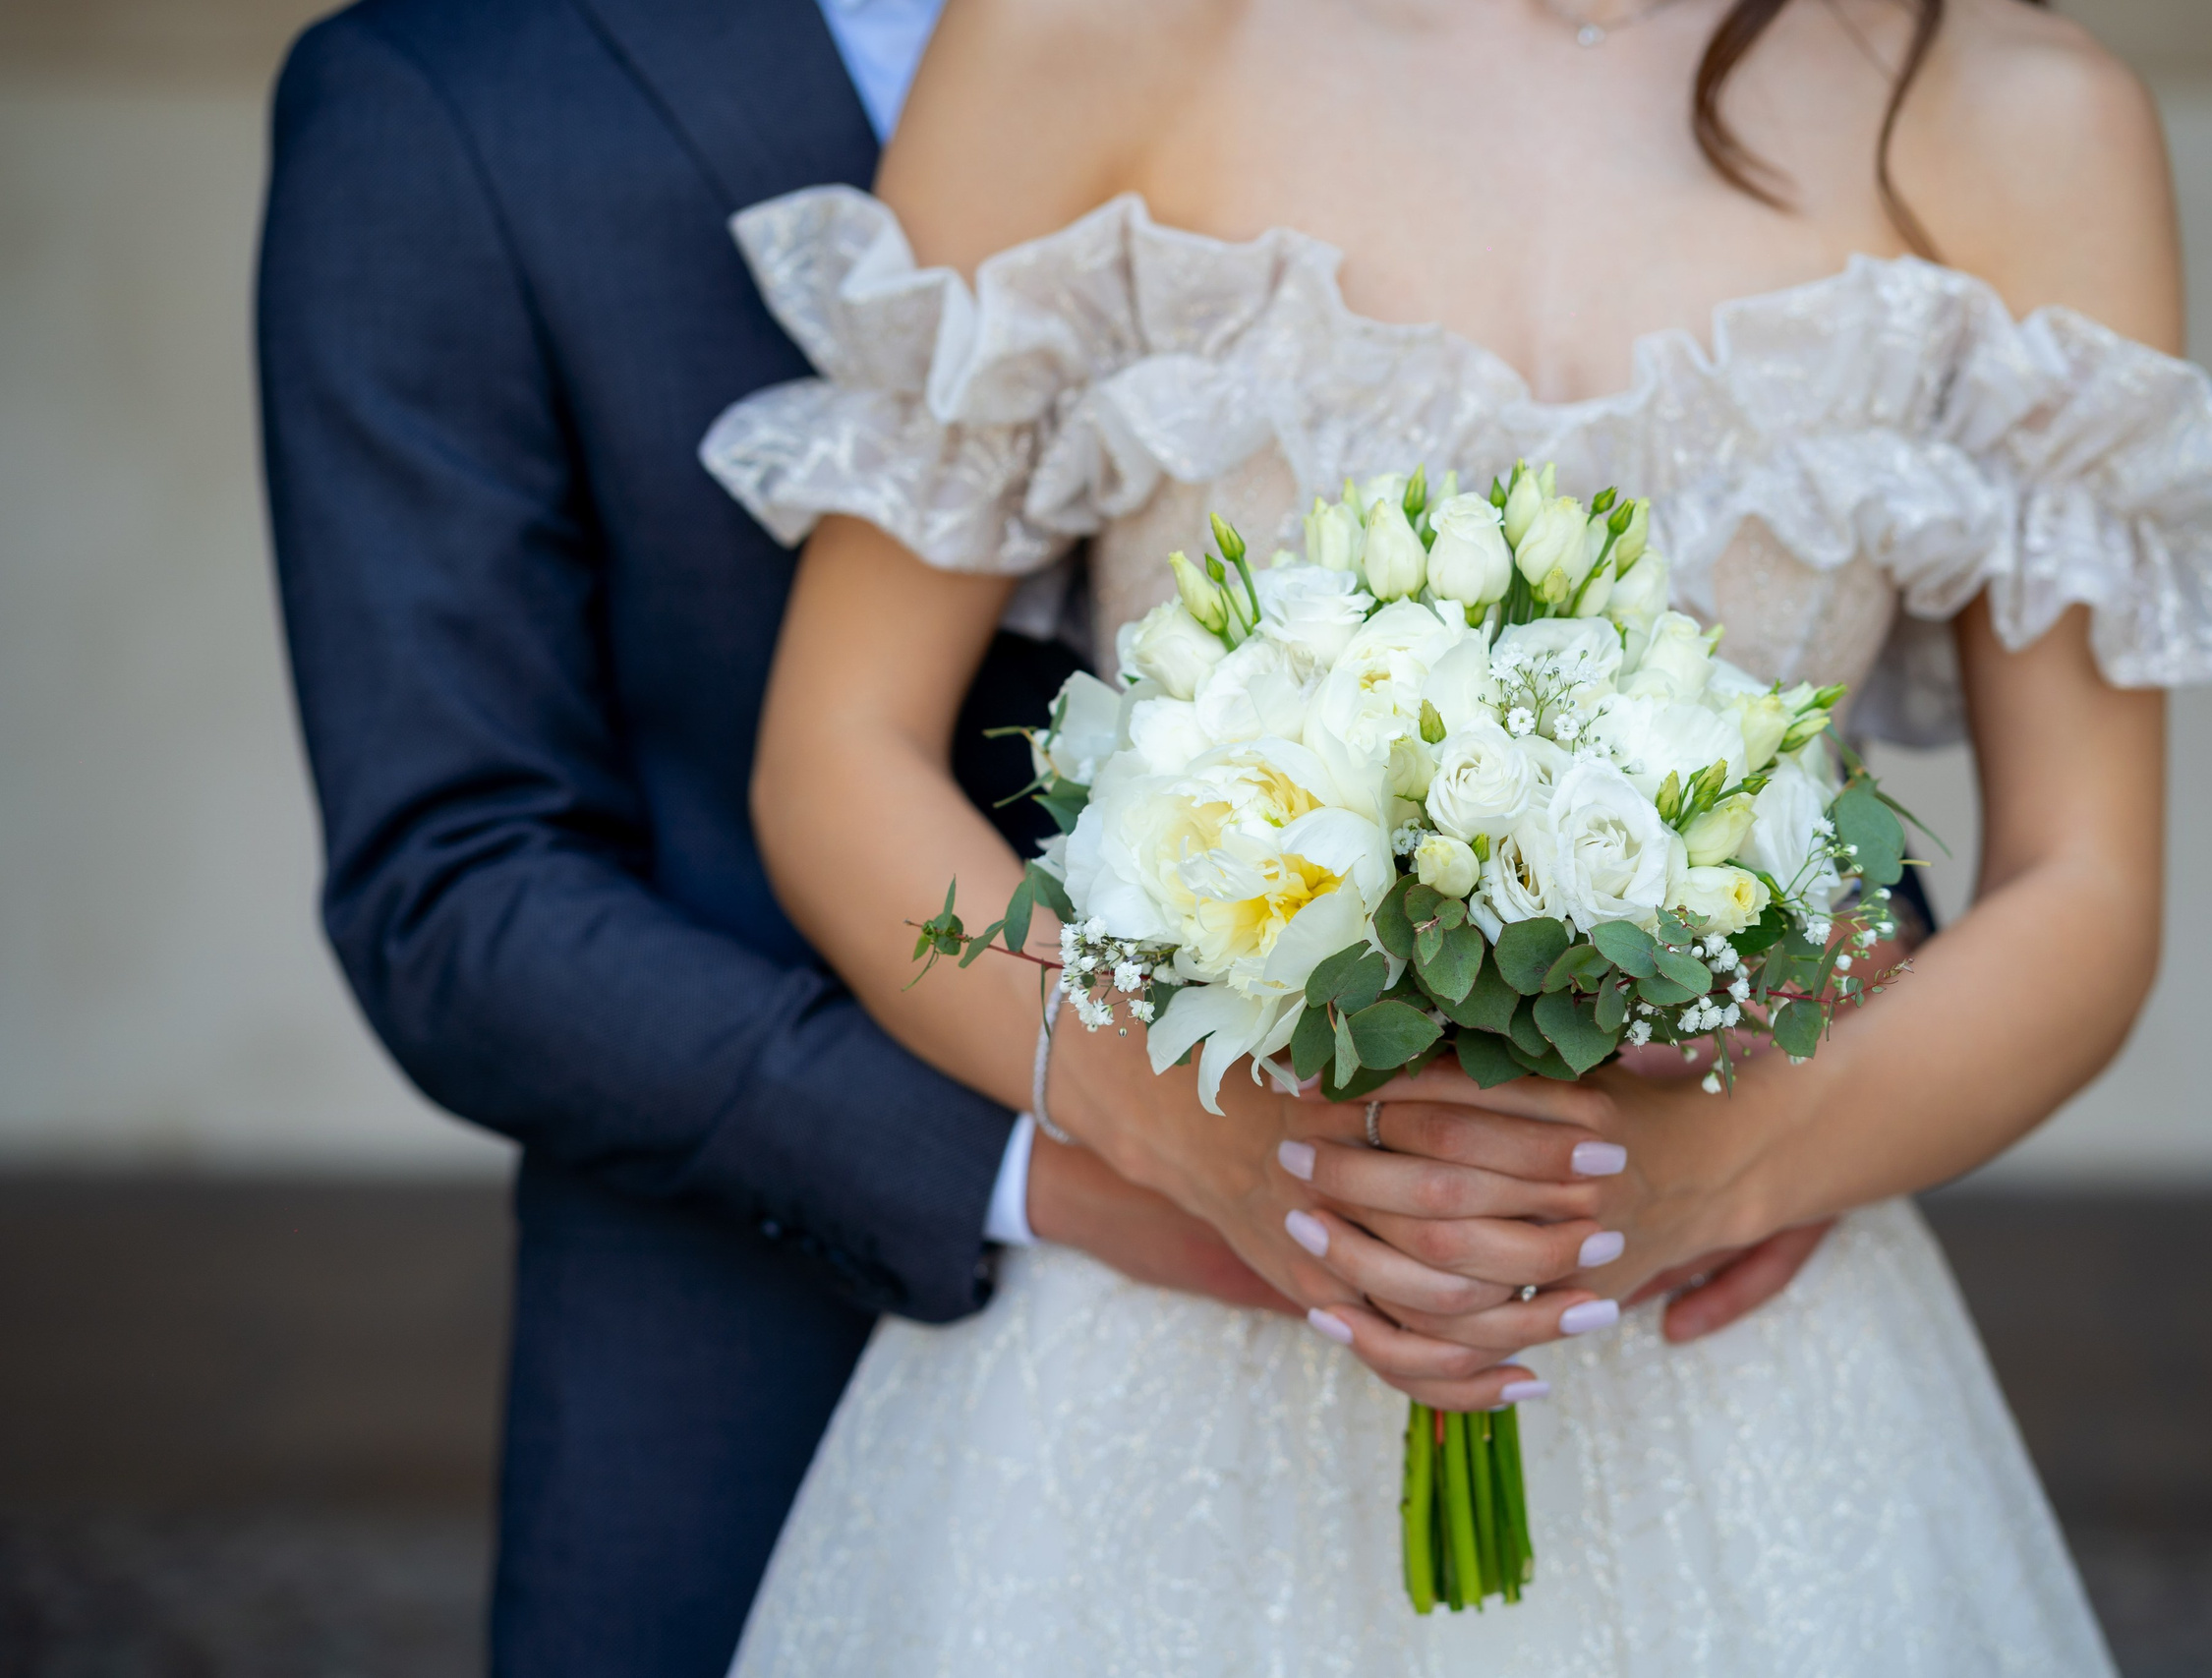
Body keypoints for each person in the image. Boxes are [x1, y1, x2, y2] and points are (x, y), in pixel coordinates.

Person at [707, 0, 2212, 1671]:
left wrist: (1723, 1174)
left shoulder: (2014, 117)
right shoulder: (1086, 35)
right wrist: (1189, 1138)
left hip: (1716, 1350)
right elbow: (836, 759)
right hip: (1167, 1306)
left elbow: (2086, 890)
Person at [255, 1, 1826, 1673]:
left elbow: (1677, 578)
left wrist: (1780, 1032)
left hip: (1565, 1294)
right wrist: (1100, 1157)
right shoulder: (450, 98)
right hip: (751, 1306)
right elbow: (456, 891)